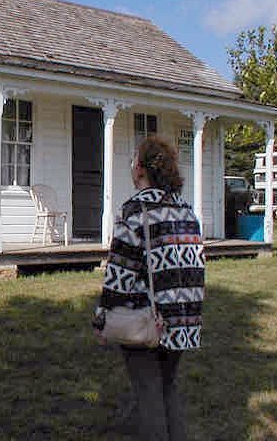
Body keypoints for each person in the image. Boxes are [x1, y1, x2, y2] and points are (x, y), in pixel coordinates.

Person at [93, 136, 205, 441]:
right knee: (167, 388)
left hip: (147, 318)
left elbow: (120, 272)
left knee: (148, 395)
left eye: (133, 160)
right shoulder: (186, 210)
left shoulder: (134, 210)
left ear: (140, 169)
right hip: (185, 319)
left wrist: (101, 318)